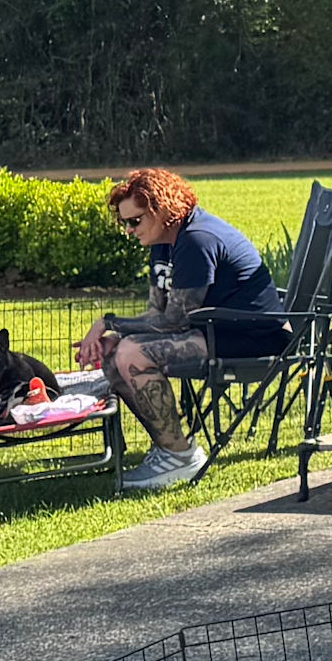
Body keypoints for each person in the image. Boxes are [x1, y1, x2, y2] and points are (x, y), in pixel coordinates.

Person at [78, 168, 288, 493]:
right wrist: (114, 336)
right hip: (212, 330)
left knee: (133, 353)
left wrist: (107, 323)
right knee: (114, 350)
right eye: (125, 223)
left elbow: (175, 321)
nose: (129, 230)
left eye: (135, 221)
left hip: (252, 338)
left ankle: (179, 458)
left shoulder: (196, 240)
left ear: (161, 209)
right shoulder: (163, 242)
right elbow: (157, 312)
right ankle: (168, 448)